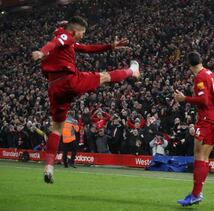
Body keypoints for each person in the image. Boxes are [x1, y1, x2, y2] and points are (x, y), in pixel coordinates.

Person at [31, 16, 141, 184]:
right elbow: (53, 44)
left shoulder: (69, 41)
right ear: (74, 31)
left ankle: (49, 166)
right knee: (104, 76)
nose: (83, 36)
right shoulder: (65, 36)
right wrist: (41, 52)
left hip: (54, 88)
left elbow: (89, 48)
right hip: (69, 81)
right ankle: (132, 70)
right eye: (82, 33)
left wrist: (110, 46)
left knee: (56, 128)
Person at [174, 51, 214, 206]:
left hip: (206, 120)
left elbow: (203, 100)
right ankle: (197, 192)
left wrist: (184, 99)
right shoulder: (210, 73)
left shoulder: (200, 77)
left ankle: (196, 194)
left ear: (189, 65)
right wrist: (213, 97)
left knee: (199, 157)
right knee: (204, 158)